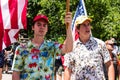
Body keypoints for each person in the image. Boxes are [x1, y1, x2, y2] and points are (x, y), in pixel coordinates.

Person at [12, 12, 73, 80]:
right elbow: (16, 73)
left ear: (47, 29)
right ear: (33, 27)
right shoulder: (21, 49)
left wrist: (69, 26)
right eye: (39, 24)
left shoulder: (52, 46)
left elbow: (69, 49)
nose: (42, 27)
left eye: (44, 25)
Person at [64, 15, 115, 80]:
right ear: (77, 29)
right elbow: (68, 70)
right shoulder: (71, 47)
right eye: (84, 25)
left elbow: (109, 65)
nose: (87, 27)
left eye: (88, 24)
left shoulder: (100, 44)